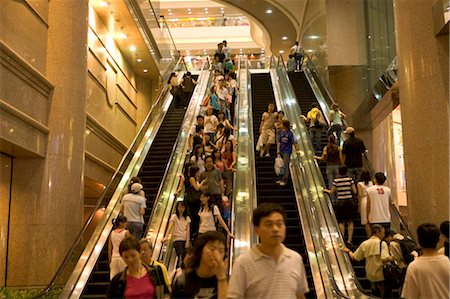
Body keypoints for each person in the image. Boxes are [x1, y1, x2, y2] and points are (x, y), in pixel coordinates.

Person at [228, 203, 309, 298]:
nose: (275, 229)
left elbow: (299, 295)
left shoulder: (295, 258)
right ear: (256, 230)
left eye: (279, 224)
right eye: (269, 224)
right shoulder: (243, 263)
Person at [171, 231, 228, 299]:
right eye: (212, 249)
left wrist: (221, 278)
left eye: (221, 251)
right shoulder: (183, 281)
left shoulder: (226, 282)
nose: (216, 254)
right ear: (200, 250)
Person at [342, 224, 393, 298]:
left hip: (371, 275)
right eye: (383, 232)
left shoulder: (365, 244)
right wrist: (391, 257)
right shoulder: (382, 243)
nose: (383, 235)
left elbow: (355, 257)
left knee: (375, 295)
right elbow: (384, 258)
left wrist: (348, 251)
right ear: (377, 232)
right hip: (382, 275)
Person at [401, 223, 450, 299]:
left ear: (419, 241)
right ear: (439, 239)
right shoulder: (446, 261)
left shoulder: (414, 266)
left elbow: (409, 295)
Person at [324, 166, 356, 246]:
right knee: (350, 222)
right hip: (349, 202)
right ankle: (349, 240)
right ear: (346, 172)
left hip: (341, 202)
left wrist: (325, 190)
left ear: (339, 172)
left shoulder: (336, 181)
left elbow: (331, 192)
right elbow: (355, 191)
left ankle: (342, 239)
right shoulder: (350, 180)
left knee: (341, 222)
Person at [162, 201, 191, 269]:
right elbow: (170, 226)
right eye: (179, 207)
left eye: (182, 207)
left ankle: (180, 270)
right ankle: (179, 270)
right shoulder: (174, 216)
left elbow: (188, 230)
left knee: (184, 256)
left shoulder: (187, 218)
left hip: (184, 239)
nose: (181, 208)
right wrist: (166, 236)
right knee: (180, 256)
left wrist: (187, 241)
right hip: (177, 239)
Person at [315, 135, 343, 203]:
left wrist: (315, 157)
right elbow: (341, 159)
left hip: (329, 166)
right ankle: (338, 198)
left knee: (331, 183)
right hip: (337, 166)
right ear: (335, 140)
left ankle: (332, 200)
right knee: (338, 182)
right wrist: (342, 165)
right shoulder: (338, 148)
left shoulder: (326, 148)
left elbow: (322, 158)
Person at [185, 166, 207, 239]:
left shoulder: (195, 179)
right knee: (194, 216)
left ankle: (195, 233)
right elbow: (197, 188)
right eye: (197, 171)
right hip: (192, 202)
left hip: (196, 201)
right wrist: (202, 182)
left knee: (197, 216)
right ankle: (192, 233)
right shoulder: (192, 178)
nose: (198, 173)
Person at [276, 120, 299, 186]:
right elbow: (279, 142)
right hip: (282, 150)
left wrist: (297, 150)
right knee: (281, 165)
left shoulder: (290, 133)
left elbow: (294, 142)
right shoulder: (282, 132)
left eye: (282, 124)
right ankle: (281, 178)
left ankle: (285, 179)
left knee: (286, 165)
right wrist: (278, 150)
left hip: (287, 151)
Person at [109, 215, 130, 280]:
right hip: (123, 258)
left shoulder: (112, 233)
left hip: (114, 258)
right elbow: (129, 246)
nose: (127, 223)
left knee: (113, 278)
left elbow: (110, 248)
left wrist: (109, 259)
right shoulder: (126, 232)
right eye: (125, 222)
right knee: (124, 277)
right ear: (121, 223)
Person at [357, 170, 374, 237]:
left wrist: (359, 206)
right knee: (371, 219)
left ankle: (369, 236)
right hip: (372, 200)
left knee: (366, 221)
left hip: (364, 201)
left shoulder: (360, 184)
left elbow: (360, 195)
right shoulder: (372, 183)